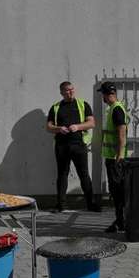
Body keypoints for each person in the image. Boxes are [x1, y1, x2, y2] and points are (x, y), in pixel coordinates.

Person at [46, 81, 99, 213]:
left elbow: (92, 123)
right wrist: (59, 129)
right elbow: (48, 127)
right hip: (62, 146)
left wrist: (78, 127)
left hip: (78, 145)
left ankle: (91, 204)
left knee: (84, 175)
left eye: (71, 89)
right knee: (62, 175)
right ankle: (61, 205)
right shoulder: (56, 107)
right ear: (61, 92)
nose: (70, 92)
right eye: (67, 90)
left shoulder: (82, 104)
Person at [98, 82, 129, 233]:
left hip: (116, 159)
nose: (102, 98)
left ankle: (121, 222)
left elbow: (121, 133)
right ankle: (120, 221)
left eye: (102, 94)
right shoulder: (113, 108)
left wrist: (120, 155)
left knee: (118, 191)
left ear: (105, 94)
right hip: (112, 157)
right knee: (116, 191)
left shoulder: (116, 109)